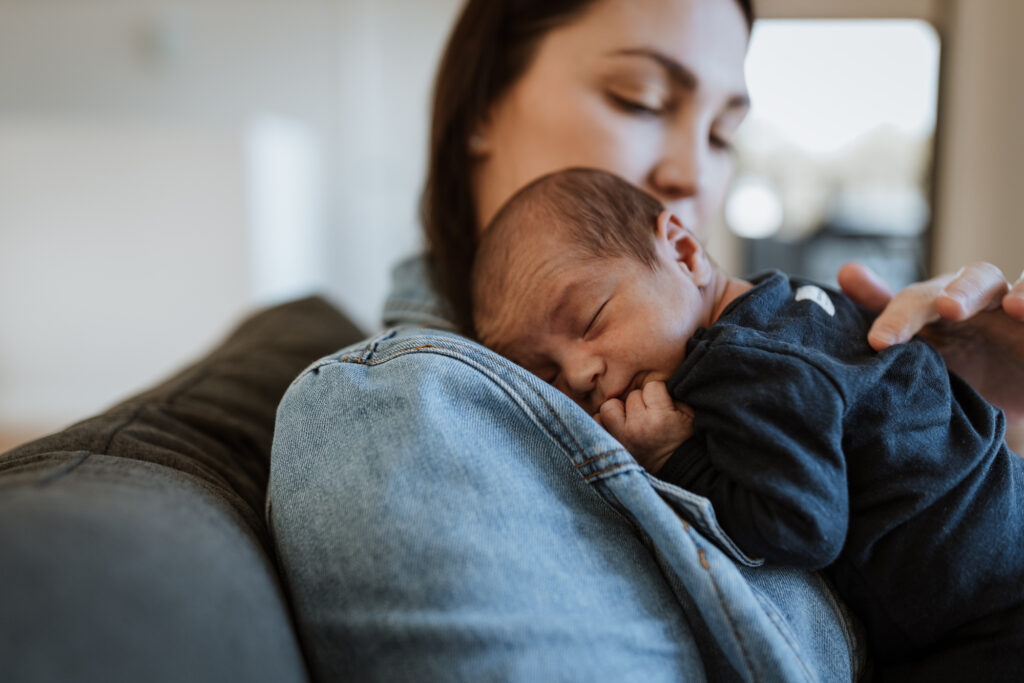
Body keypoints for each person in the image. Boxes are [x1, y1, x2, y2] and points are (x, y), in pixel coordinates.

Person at [268, 0, 1024, 679]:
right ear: (481, 104)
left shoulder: (763, 347)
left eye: (725, 134)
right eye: (641, 98)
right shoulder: (398, 408)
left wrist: (1005, 408)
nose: (691, 172)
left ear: (685, 252)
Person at [471, 167, 1024, 681]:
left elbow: (804, 524)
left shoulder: (739, 365)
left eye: (590, 319)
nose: (580, 373)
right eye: (546, 375)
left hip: (986, 616)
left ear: (684, 253)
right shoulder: (787, 304)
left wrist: (674, 458)